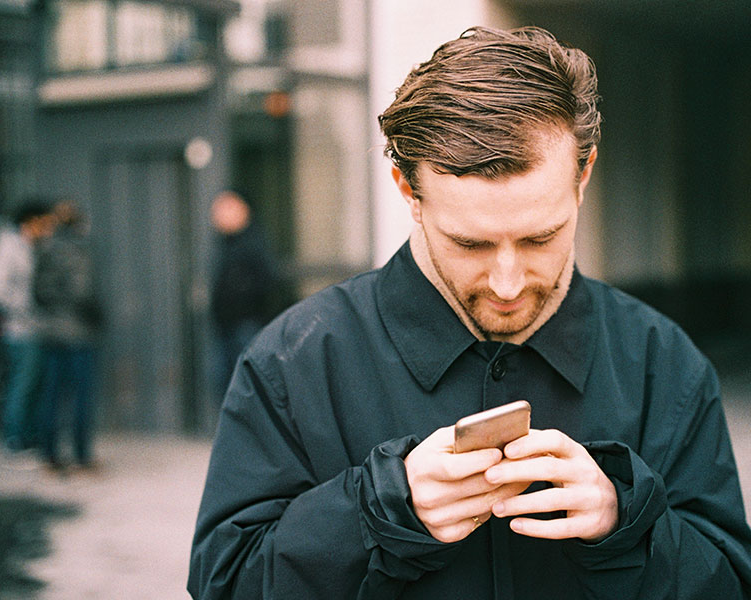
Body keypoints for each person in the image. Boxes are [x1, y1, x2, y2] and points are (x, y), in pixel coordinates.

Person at [188, 26, 751, 599]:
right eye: (471, 244)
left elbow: (730, 583)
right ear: (408, 190)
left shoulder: (664, 361)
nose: (508, 283)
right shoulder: (293, 361)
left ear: (582, 177)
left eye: (540, 238)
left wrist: (626, 520)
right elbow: (227, 584)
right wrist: (378, 510)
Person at [34, 200, 101, 470]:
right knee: (80, 398)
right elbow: (83, 292)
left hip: (51, 333)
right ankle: (81, 455)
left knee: (50, 395)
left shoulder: (44, 250)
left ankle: (49, 454)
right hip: (79, 333)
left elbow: (38, 292)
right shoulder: (79, 251)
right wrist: (97, 316)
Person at [0, 201, 54, 453]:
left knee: (35, 385)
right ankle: (15, 438)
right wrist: (25, 310)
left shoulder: (32, 246)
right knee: (23, 386)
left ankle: (30, 435)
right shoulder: (8, 246)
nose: (47, 229)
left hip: (37, 328)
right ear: (31, 221)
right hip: (20, 330)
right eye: (44, 223)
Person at [208, 191, 278, 399]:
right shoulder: (225, 243)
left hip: (246, 324)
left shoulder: (253, 242)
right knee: (224, 380)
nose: (218, 215)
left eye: (226, 208)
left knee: (245, 382)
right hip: (226, 324)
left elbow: (267, 282)